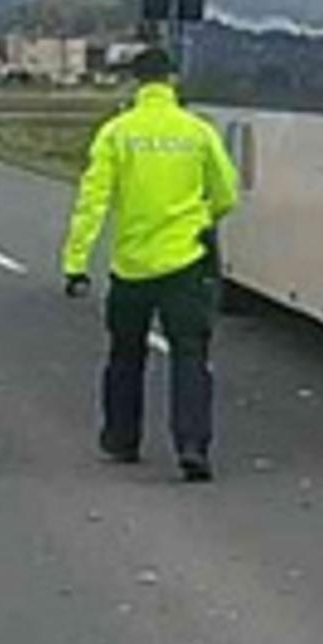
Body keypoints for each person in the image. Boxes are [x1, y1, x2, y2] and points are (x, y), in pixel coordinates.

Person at [61, 47, 240, 481]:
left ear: (136, 82)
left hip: (132, 266)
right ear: (172, 80)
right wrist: (200, 219)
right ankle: (193, 446)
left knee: (125, 354)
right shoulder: (197, 132)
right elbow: (227, 193)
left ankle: (121, 437)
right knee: (190, 356)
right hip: (185, 262)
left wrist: (76, 262)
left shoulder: (117, 134)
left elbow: (92, 201)